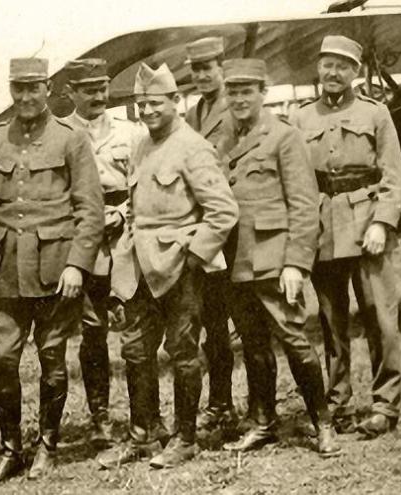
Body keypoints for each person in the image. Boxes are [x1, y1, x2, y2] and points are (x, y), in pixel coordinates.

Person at [98, 63, 238, 469]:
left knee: (183, 351)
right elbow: (138, 201)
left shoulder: (192, 147)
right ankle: (144, 435)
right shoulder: (140, 145)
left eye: (155, 103)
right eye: (141, 104)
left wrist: (195, 255)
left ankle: (185, 437)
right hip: (139, 266)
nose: (147, 111)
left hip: (181, 267)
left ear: (174, 102)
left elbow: (223, 211)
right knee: (136, 350)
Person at [0, 58, 104, 484]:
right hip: (6, 271)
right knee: (2, 358)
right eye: (19, 88)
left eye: (34, 88)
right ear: (10, 89)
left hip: (56, 270)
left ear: (48, 89)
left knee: (52, 360)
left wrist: (77, 265)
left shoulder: (71, 139)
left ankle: (47, 445)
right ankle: (11, 448)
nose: (26, 97)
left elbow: (90, 209)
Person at [216, 58, 339, 457]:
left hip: (273, 258)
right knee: (252, 344)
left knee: (294, 340)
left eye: (246, 91)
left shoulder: (284, 137)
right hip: (236, 260)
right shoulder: (224, 140)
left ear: (262, 93)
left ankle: (322, 422)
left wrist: (296, 264)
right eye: (232, 92)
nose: (238, 99)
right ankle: (264, 422)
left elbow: (304, 204)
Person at [290, 35, 401, 437]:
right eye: (327, 64)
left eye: (342, 66)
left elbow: (393, 177)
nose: (333, 73)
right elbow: (298, 180)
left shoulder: (375, 113)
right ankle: (336, 403)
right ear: (318, 69)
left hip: (367, 222)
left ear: (355, 72)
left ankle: (385, 404)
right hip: (324, 226)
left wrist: (381, 223)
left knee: (379, 317)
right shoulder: (301, 118)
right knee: (331, 322)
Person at [60, 57, 150, 448]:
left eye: (102, 87)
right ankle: (100, 417)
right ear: (70, 93)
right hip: (85, 243)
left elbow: (144, 184)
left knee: (135, 330)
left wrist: (124, 214)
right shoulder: (61, 134)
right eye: (87, 89)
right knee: (92, 332)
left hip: (125, 240)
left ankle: (144, 417)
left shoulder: (131, 133)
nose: (97, 96)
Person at [184, 36, 238, 436]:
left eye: (209, 68)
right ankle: (221, 403)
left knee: (244, 322)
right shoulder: (192, 112)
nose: (202, 75)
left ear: (223, 66)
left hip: (230, 227)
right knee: (213, 322)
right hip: (204, 230)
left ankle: (250, 406)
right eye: (197, 69)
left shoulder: (233, 109)